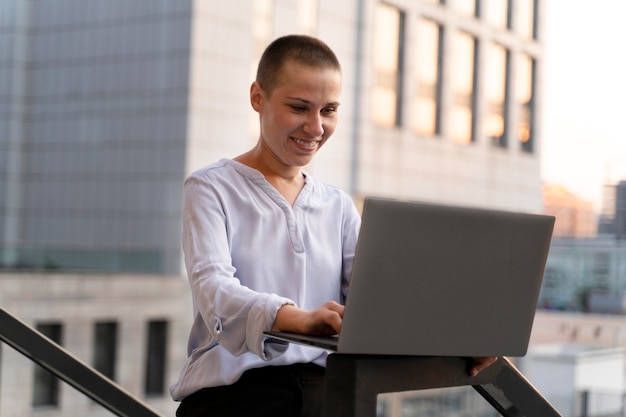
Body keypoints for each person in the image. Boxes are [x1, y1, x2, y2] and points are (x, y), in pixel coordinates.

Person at [170, 34, 496, 417]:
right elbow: (215, 292)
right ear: (258, 97)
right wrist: (298, 319)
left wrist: (463, 336)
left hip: (330, 396)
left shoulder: (337, 204)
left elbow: (383, 299)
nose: (315, 127)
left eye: (329, 110)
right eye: (299, 107)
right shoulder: (211, 186)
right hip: (236, 400)